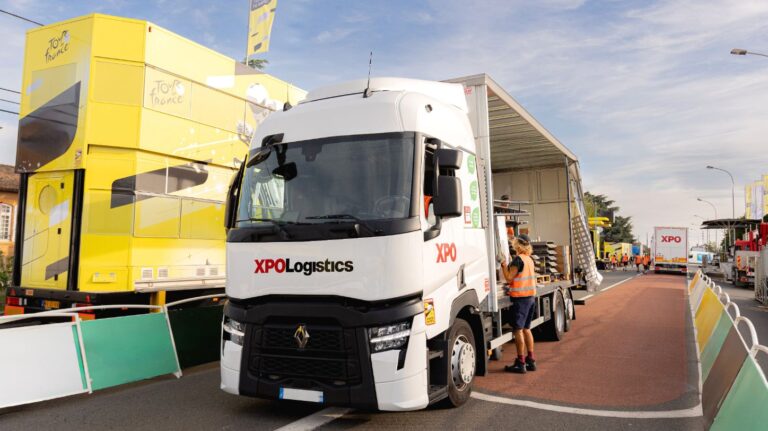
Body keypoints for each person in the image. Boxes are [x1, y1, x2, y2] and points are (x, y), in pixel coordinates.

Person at [499, 234, 537, 374]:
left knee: (518, 330)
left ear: (518, 245)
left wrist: (504, 264)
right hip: (530, 297)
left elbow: (509, 278)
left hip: (521, 300)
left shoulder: (518, 260)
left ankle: (520, 363)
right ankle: (530, 360)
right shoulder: (529, 259)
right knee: (527, 329)